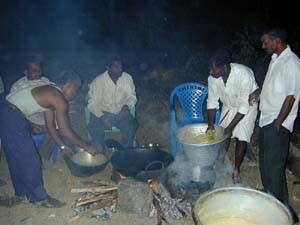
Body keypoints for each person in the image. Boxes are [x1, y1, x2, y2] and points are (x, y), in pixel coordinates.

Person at [0, 68, 98, 208]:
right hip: (11, 115)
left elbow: (51, 126)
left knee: (16, 157)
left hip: (6, 111)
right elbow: (65, 131)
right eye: (75, 90)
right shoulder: (57, 97)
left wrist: (63, 146)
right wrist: (88, 147)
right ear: (69, 85)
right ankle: (39, 198)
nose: (74, 94)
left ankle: (22, 193)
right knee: (30, 159)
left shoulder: (51, 92)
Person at [259, 28, 300, 223]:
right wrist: (257, 93)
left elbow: (291, 97)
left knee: (275, 169)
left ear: (277, 40)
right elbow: (271, 89)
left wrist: (278, 123)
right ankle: (269, 198)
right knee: (266, 166)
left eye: (266, 42)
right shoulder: (275, 60)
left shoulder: (291, 62)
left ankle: (284, 212)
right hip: (266, 119)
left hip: (278, 122)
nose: (263, 46)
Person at [206, 49, 259, 183]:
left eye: (213, 69)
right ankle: (220, 161)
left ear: (224, 67)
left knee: (241, 136)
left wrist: (231, 127)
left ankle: (236, 169)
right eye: (210, 69)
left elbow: (243, 106)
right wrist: (210, 125)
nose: (210, 72)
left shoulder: (243, 74)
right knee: (223, 134)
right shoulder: (213, 78)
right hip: (229, 105)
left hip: (247, 105)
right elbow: (212, 101)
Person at [88, 55, 137, 149]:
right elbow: (93, 104)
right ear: (108, 68)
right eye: (116, 67)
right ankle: (99, 150)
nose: (120, 69)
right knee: (94, 128)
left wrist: (126, 106)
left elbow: (132, 96)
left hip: (121, 113)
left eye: (121, 66)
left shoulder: (127, 78)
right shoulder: (98, 81)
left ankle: (127, 151)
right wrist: (102, 117)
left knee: (131, 125)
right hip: (103, 113)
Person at [10, 60, 54, 133]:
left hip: (46, 112)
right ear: (26, 72)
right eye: (34, 70)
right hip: (30, 116)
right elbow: (13, 110)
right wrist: (28, 123)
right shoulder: (18, 86)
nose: (38, 72)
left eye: (39, 70)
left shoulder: (45, 81)